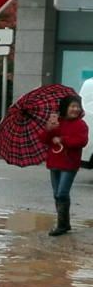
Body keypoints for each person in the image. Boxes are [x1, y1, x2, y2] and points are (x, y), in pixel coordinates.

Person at [41, 95, 89, 237]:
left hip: (69, 163)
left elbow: (81, 141)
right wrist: (49, 129)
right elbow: (44, 139)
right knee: (57, 194)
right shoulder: (57, 122)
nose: (75, 109)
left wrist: (62, 139)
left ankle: (61, 225)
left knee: (62, 193)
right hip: (54, 162)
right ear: (65, 107)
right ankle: (65, 223)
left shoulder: (81, 124)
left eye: (77, 106)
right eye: (72, 106)